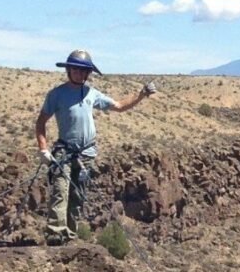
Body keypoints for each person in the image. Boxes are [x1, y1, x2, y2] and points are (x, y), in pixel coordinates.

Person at [33, 49, 156, 245]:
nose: (80, 74)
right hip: (64, 152)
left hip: (86, 155)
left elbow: (118, 106)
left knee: (77, 196)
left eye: (84, 71)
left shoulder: (91, 93)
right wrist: (43, 149)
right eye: (76, 69)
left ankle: (70, 236)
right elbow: (41, 122)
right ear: (69, 70)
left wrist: (141, 95)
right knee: (60, 191)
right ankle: (56, 234)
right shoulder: (56, 95)